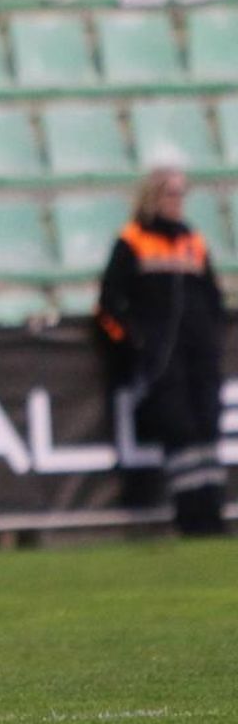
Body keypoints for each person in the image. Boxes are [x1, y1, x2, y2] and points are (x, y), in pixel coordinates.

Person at [98, 168, 228, 537]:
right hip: (161, 360)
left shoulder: (192, 241)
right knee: (182, 434)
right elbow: (109, 303)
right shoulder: (133, 240)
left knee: (207, 428)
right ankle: (191, 518)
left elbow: (211, 295)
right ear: (153, 197)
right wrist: (135, 342)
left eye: (181, 194)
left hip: (200, 357)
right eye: (171, 194)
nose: (177, 201)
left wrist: (212, 334)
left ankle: (213, 516)